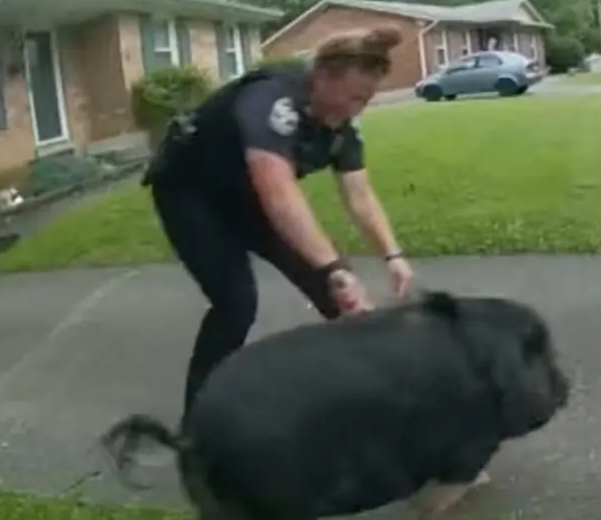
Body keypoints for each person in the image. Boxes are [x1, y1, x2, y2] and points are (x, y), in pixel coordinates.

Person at [142, 26, 415, 415]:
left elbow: (359, 193)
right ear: (321, 78)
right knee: (236, 303)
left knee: (337, 293)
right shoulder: (270, 99)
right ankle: (199, 422)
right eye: (354, 97)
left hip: (249, 198)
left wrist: (392, 254)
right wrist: (333, 265)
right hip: (192, 196)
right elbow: (280, 195)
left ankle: (375, 398)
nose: (358, 109)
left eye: (367, 99)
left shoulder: (342, 126)